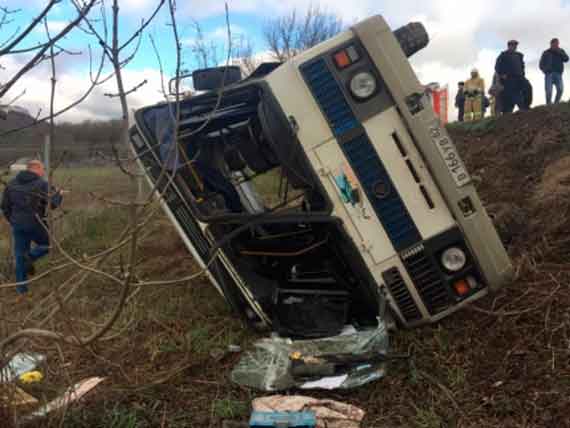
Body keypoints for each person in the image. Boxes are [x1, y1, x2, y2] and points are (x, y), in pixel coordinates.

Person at [1, 160, 62, 295]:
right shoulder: (42, 184)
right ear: (36, 168)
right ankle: (30, 256)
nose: (44, 172)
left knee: (19, 256)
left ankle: (21, 290)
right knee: (49, 245)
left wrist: (12, 220)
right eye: (43, 169)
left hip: (17, 225)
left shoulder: (11, 184)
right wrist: (59, 194)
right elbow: (53, 204)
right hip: (36, 223)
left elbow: (5, 207)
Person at [495, 40, 525, 113]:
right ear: (509, 46)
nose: (515, 47)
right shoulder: (503, 55)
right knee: (509, 96)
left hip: (519, 78)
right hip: (508, 79)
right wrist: (502, 74)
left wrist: (523, 74)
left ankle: (523, 109)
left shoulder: (519, 55)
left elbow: (522, 66)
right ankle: (507, 112)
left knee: (519, 93)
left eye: (516, 45)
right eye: (513, 45)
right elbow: (497, 66)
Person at [539, 38, 569, 104]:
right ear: (551, 44)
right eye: (555, 43)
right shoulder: (546, 52)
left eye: (557, 44)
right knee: (549, 91)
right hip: (549, 74)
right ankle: (548, 104)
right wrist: (545, 70)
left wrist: (559, 52)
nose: (557, 45)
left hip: (558, 74)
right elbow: (541, 64)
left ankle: (556, 103)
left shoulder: (561, 51)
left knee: (560, 89)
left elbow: (566, 59)